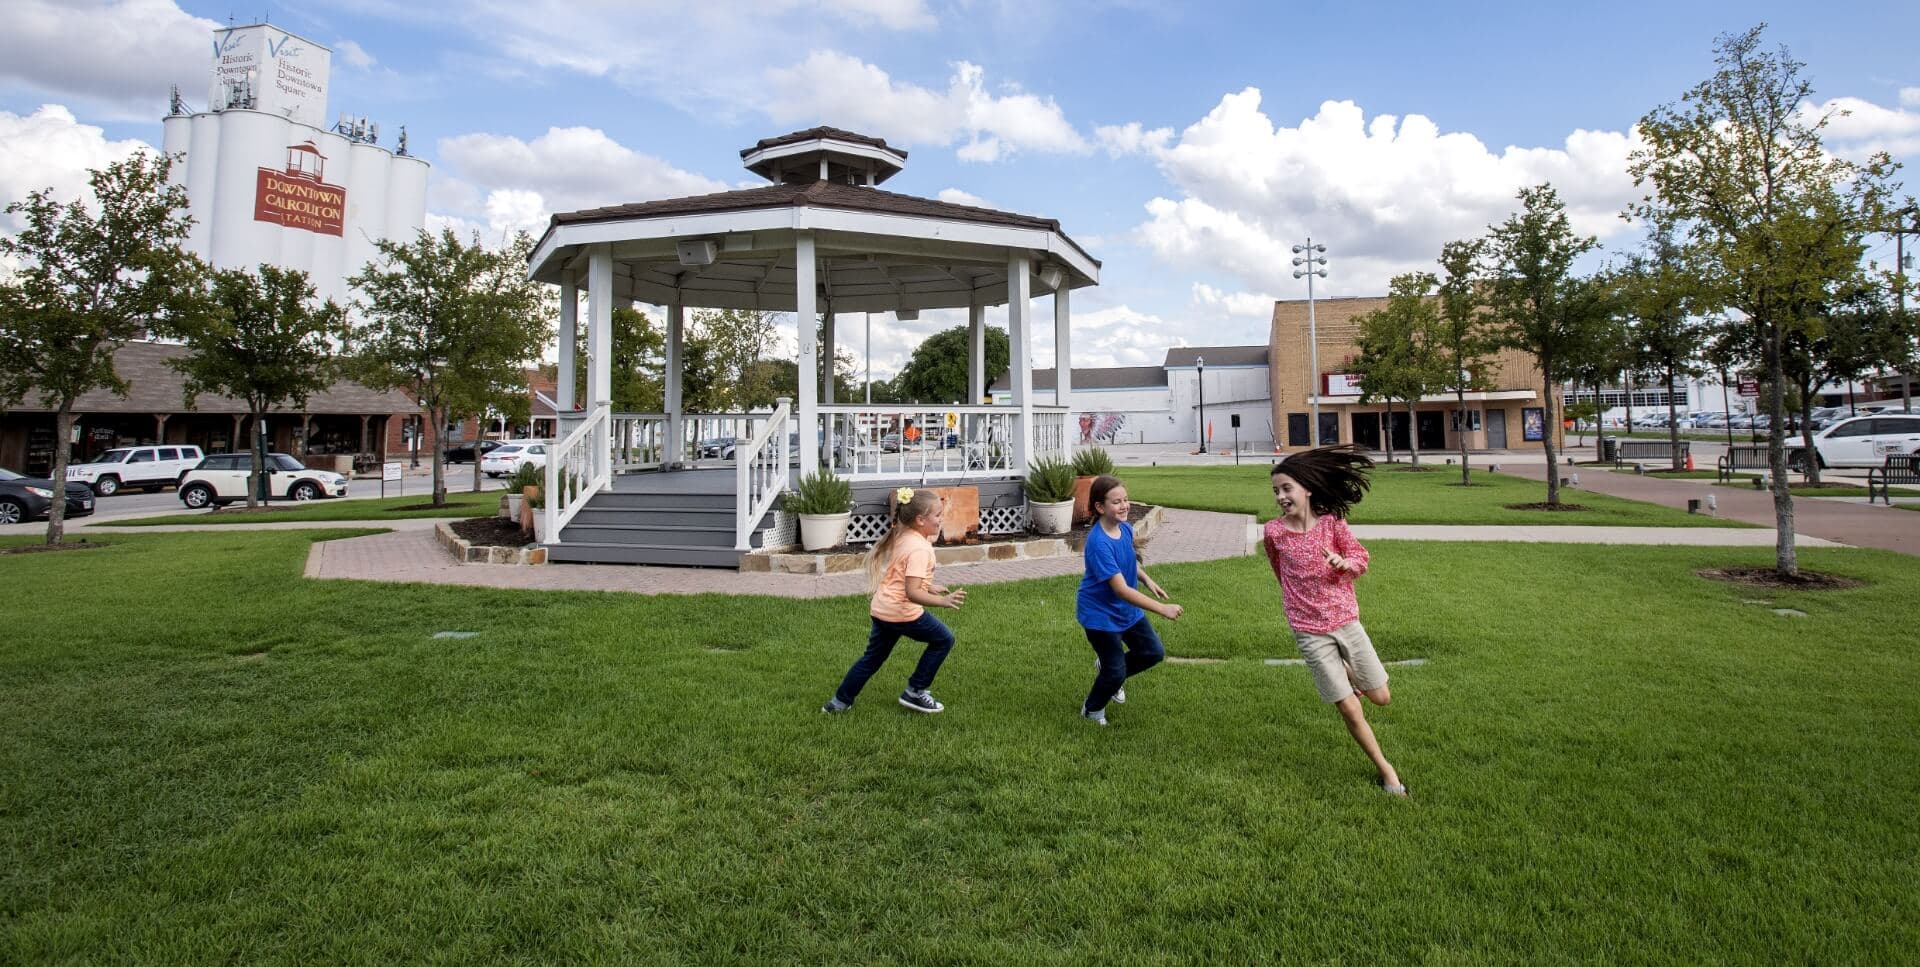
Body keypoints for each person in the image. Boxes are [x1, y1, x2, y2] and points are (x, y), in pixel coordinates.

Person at [1262, 445, 1407, 796]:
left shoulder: (1332, 525)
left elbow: (1360, 557)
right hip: (1308, 630)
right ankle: (1387, 772)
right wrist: (1298, 607)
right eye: (1276, 491)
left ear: (1307, 489)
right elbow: (1280, 572)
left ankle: (1349, 670)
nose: (1281, 496)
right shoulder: (1273, 533)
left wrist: (1346, 565)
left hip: (1345, 620)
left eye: (1287, 488)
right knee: (1348, 706)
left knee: (1381, 697)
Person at [824, 487, 967, 714]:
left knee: (871, 659)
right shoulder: (920, 548)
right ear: (920, 520)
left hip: (882, 609)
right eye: (937, 515)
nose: (941, 519)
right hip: (902, 612)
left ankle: (838, 703)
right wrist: (942, 601)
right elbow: (911, 592)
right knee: (943, 639)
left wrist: (929, 585)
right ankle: (915, 691)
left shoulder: (905, 536)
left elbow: (903, 575)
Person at [1076, 474, 1182, 726]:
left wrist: (1146, 580)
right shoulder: (1098, 543)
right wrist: (1161, 609)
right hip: (1100, 615)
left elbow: (1128, 560)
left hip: (1126, 611)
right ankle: (1092, 710)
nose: (1124, 505)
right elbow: (1121, 589)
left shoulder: (1124, 528)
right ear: (1100, 507)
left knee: (1152, 652)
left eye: (1125, 499)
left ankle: (1108, 669)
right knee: (1115, 671)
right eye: (1116, 502)